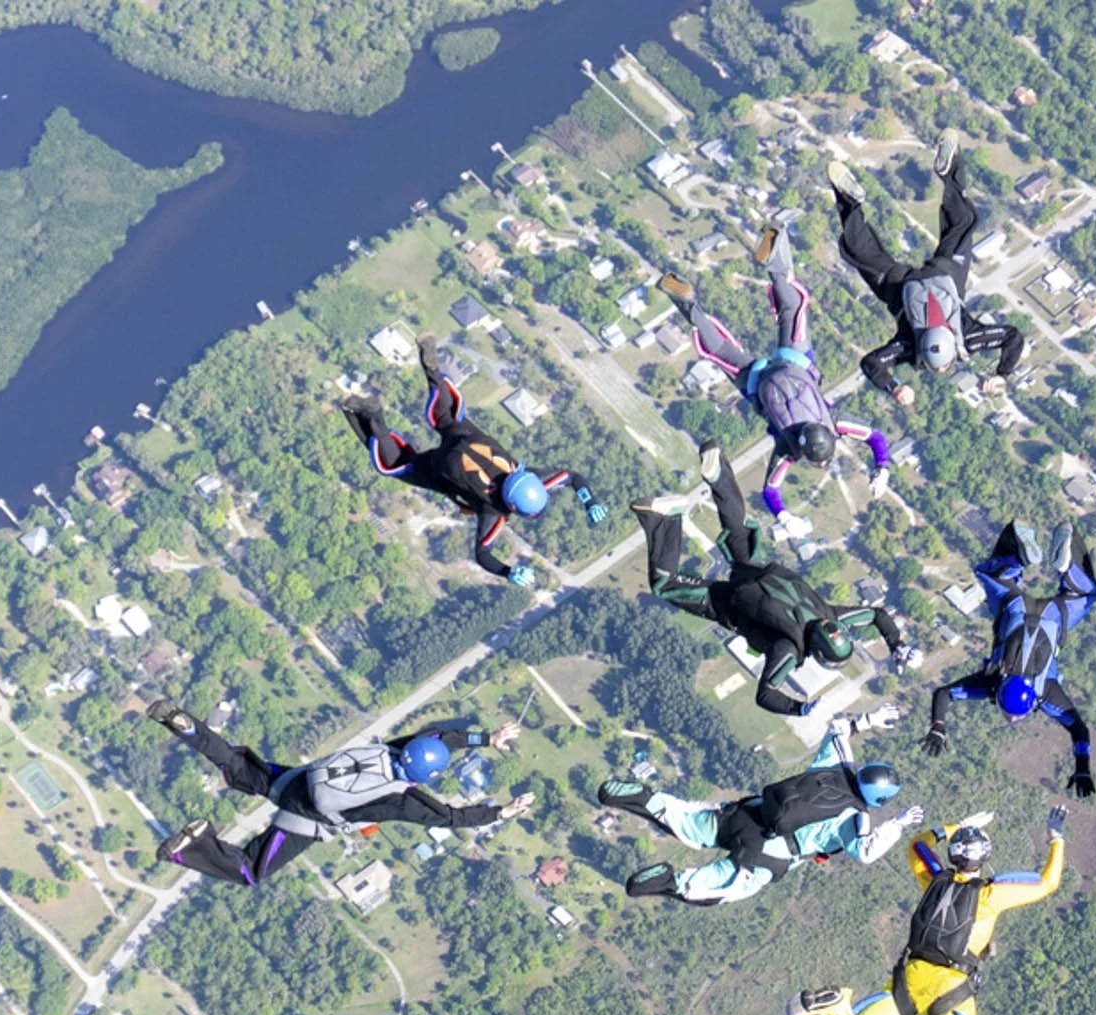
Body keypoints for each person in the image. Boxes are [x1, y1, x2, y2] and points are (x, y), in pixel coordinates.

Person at [787, 808, 1064, 1015]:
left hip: (909, 978)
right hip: (951, 987)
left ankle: (837, 1006)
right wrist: (1056, 838)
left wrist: (956, 825)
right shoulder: (990, 895)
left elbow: (917, 844)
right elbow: (1047, 883)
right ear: (985, 855)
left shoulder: (934, 880)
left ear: (954, 855)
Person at [633, 443, 903, 715]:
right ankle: (665, 520)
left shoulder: (833, 615)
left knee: (738, 531)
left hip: (759, 571)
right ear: (819, 654)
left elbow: (876, 615)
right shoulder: (789, 650)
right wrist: (800, 708)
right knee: (665, 585)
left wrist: (896, 644)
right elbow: (765, 695)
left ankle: (718, 474)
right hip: (730, 604)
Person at [147, 703, 532, 887]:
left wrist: (487, 738)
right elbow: (453, 817)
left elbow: (442, 737)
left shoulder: (399, 747)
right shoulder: (406, 799)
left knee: (235, 763)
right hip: (307, 816)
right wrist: (501, 812)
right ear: (423, 776)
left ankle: (186, 727)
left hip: (299, 780)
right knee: (250, 870)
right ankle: (190, 846)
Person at [340, 334, 605, 587]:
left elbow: (572, 477)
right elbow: (483, 555)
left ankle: (433, 372)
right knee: (398, 465)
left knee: (446, 416)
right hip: (442, 467)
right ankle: (373, 417)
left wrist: (590, 500)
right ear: (513, 506)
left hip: (465, 436)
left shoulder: (533, 476)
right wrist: (508, 572)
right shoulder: (495, 512)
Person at [661, 228, 891, 516]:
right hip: (757, 382)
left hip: (793, 361)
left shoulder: (835, 423)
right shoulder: (788, 449)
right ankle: (687, 304)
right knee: (718, 350)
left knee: (792, 309)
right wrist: (783, 517)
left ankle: (776, 269)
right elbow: (770, 491)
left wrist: (883, 466)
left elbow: (876, 437)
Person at [604, 708, 921, 905]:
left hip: (747, 813)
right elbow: (865, 853)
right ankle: (672, 882)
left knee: (688, 821)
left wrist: (871, 719)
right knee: (717, 888)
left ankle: (647, 799)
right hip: (769, 854)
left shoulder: (838, 763)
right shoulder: (856, 819)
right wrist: (898, 824)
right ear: (878, 799)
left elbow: (838, 728)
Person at [829, 131, 1024, 403]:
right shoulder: (907, 348)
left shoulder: (969, 339)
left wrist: (1003, 373)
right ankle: (849, 203)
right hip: (900, 286)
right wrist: (893, 387)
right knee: (859, 251)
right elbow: (871, 363)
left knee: (962, 223)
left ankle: (951, 166)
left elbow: (1013, 337)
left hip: (946, 274)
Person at [922, 520, 1096, 797]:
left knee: (1088, 594)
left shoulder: (1044, 693)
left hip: (1055, 615)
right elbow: (943, 694)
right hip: (1014, 607)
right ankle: (1020, 555)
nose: (1012, 720)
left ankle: (1066, 568)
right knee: (991, 573)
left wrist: (1083, 767)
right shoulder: (991, 683)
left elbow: (1079, 730)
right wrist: (938, 726)